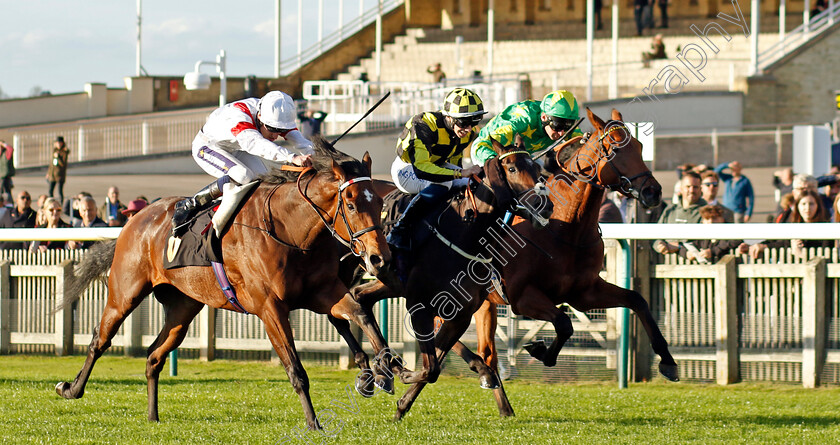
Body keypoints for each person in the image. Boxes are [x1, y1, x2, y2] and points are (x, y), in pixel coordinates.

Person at [171, 90, 314, 236]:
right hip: (207, 147)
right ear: (259, 117)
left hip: (235, 147)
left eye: (280, 130)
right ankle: (190, 205)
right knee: (243, 176)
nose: (276, 136)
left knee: (265, 181)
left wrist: (321, 156)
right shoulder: (240, 118)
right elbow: (258, 145)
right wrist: (292, 157)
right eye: (272, 130)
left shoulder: (272, 114)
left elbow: (299, 140)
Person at [387, 88, 487, 262]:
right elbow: (422, 169)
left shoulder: (464, 133)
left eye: (473, 121)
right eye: (463, 122)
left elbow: (455, 160)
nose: (469, 128)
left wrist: (463, 175)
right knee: (446, 184)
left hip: (436, 166)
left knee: (472, 181)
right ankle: (399, 230)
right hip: (407, 169)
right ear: (449, 117)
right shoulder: (424, 124)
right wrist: (460, 173)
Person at [471, 90, 583, 166]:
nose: (562, 133)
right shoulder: (522, 119)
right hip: (485, 150)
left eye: (568, 127)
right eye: (557, 126)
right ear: (544, 117)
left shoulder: (561, 121)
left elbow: (584, 144)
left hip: (521, 155)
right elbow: (484, 146)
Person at [751, 189, 832, 259]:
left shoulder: (825, 228)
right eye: (803, 204)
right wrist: (760, 246)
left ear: (818, 206)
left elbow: (827, 254)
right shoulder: (793, 226)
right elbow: (780, 242)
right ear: (797, 206)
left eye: (811, 204)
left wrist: (800, 254)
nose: (807, 208)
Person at [652, 171, 706, 255]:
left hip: (696, 263)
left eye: (695, 187)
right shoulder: (670, 210)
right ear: (681, 189)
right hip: (667, 264)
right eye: (688, 187)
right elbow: (656, 236)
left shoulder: (706, 211)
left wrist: (679, 247)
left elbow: (707, 242)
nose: (691, 190)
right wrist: (659, 245)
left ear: (700, 189)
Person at [677, 204, 748, 263]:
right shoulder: (699, 235)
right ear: (703, 221)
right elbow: (685, 245)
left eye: (714, 218)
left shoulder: (730, 233)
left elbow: (735, 242)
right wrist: (687, 253)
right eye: (707, 219)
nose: (711, 222)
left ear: (722, 219)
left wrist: (713, 251)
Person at [46, 136, 69, 205]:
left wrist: (58, 157)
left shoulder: (64, 152)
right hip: (52, 175)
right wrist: (48, 173)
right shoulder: (55, 151)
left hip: (60, 175)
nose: (58, 144)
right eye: (57, 143)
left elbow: (63, 164)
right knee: (50, 191)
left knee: (60, 191)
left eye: (59, 143)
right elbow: (51, 164)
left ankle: (61, 204)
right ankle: (51, 203)